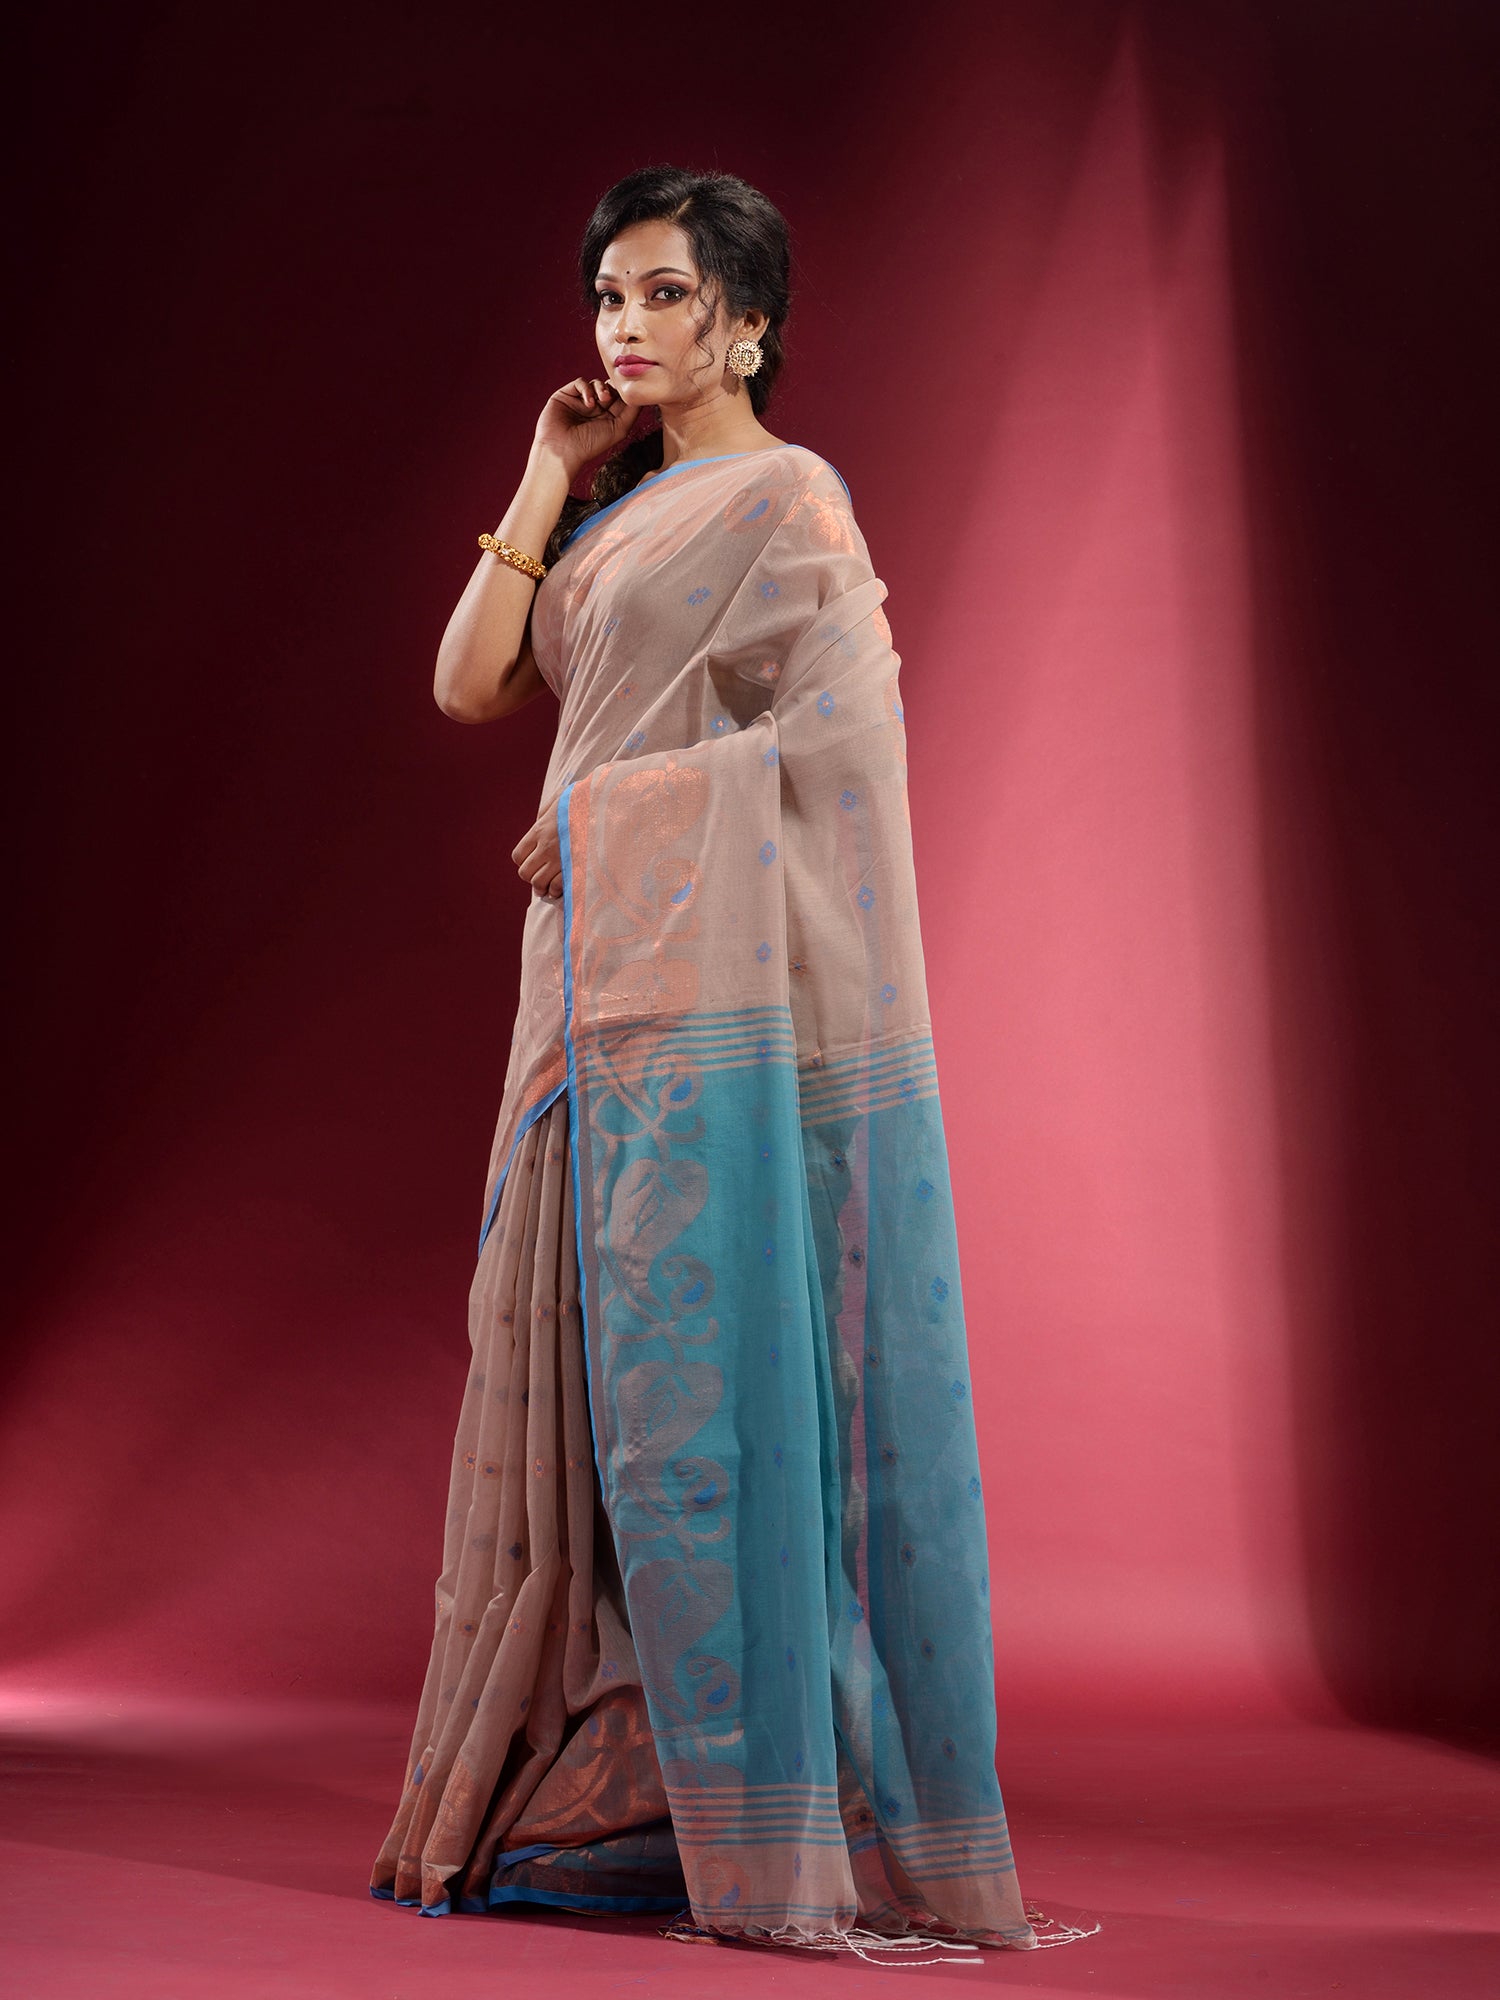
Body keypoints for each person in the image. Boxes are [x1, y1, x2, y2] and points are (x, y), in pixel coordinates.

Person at [369, 164, 1098, 1964]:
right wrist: (543, 474)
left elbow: (843, 754)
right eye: (609, 295)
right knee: (576, 1380)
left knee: (699, 1384)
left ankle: (753, 1789)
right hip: (581, 979)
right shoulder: (617, 510)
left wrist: (614, 819)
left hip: (711, 998)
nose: (625, 326)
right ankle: (610, 1776)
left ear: (748, 323)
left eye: (666, 295)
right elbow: (469, 686)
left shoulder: (790, 500)